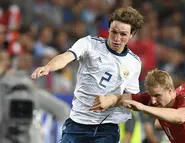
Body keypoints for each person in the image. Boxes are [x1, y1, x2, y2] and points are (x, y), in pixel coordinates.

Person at [30, 6, 144, 143]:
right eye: (114, 32)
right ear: (108, 29)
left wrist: (112, 100)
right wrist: (49, 66)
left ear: (132, 34)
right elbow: (66, 57)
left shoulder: (134, 62)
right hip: (77, 123)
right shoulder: (89, 44)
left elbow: (131, 98)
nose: (117, 38)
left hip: (107, 128)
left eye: (123, 34)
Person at [90, 69, 185, 143]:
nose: (153, 101)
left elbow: (179, 117)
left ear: (170, 90)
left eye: (158, 95)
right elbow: (121, 98)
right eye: (151, 95)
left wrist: (142, 107)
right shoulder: (154, 100)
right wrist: (107, 100)